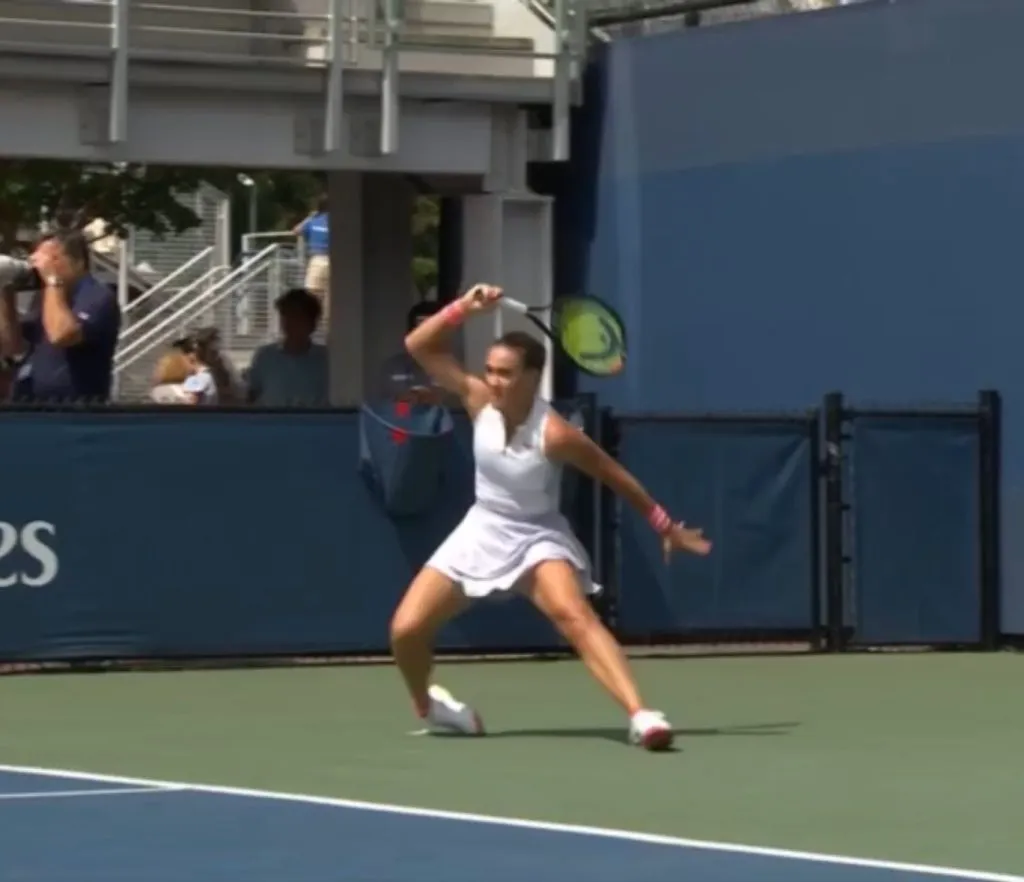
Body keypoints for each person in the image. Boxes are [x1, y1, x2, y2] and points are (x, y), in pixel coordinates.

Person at [391, 283, 713, 751]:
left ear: (532, 377)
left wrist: (664, 525)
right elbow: (418, 345)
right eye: (490, 371)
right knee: (405, 631)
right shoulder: (478, 400)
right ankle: (432, 706)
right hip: (481, 528)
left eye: (505, 373)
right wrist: (465, 307)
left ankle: (642, 715)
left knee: (574, 615)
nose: (494, 380)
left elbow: (616, 475)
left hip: (537, 536)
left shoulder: (557, 434)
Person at [0, 230, 121, 403]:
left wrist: (52, 280)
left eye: (53, 259)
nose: (41, 266)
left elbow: (61, 335)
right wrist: (6, 292)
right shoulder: (45, 297)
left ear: (78, 262)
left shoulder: (98, 296)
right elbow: (13, 346)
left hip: (73, 412)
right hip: (29, 407)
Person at [247, 287, 329, 407]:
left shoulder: (326, 360)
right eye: (286, 316)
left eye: (298, 317)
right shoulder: (265, 356)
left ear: (312, 323)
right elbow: (251, 396)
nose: (291, 322)